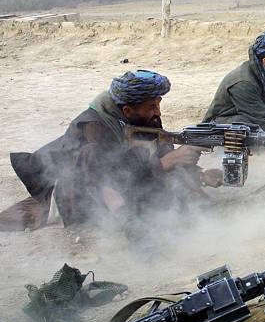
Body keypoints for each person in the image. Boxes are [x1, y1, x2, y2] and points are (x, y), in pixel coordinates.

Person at [0, 70, 222, 239]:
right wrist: (162, 164)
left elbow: (164, 154)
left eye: (158, 104)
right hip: (75, 190)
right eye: (151, 106)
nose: (157, 112)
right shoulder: (92, 126)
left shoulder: (143, 116)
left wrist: (198, 175)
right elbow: (107, 178)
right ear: (127, 110)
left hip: (126, 181)